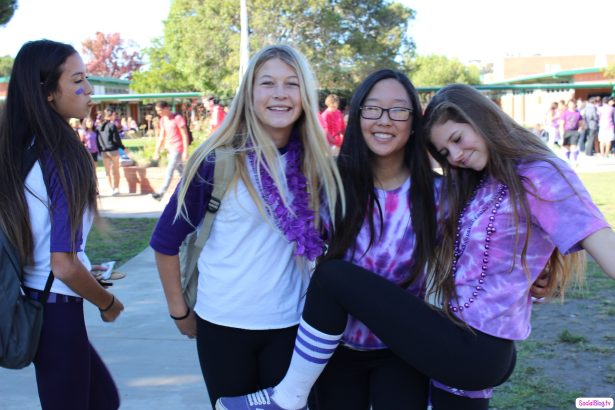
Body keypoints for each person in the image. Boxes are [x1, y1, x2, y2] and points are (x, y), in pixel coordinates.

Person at [216, 83, 615, 410]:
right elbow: (500, 248)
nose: (456, 155)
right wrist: (537, 272)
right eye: (445, 152)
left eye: (457, 139)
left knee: (333, 277)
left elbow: (600, 242)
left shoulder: (540, 173)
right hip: (448, 339)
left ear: (484, 119)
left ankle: (286, 399)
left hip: (473, 345)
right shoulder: (483, 181)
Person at [149, 44, 344, 408]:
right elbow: (165, 241)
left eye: (292, 83)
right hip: (223, 324)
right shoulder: (216, 160)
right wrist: (179, 310)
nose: (280, 94)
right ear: (249, 94)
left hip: (293, 325)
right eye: (267, 83)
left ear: (305, 94)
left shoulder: (317, 167)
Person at [0, 39, 124, 409]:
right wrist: (107, 303)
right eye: (78, 81)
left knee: (104, 399)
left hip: (38, 301)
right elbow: (63, 265)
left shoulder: (23, 148)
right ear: (48, 93)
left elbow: (44, 241)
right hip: (56, 311)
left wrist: (84, 264)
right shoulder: (65, 155)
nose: (90, 90)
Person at [308, 70, 437, 409]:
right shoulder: (328, 185)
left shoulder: (440, 194)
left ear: (414, 122)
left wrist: (536, 281)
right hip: (333, 351)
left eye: (399, 110)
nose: (384, 119)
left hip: (405, 350)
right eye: (373, 108)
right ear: (357, 116)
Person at [151, 101, 190, 201]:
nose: (158, 113)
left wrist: (185, 151)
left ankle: (161, 193)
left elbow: (184, 134)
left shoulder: (177, 118)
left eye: (160, 110)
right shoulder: (162, 120)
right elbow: (162, 136)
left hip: (178, 148)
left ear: (166, 108)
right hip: (170, 149)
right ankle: (191, 189)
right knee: (182, 172)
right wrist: (156, 150)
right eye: (157, 111)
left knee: (170, 169)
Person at [97, 108, 125, 196]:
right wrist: (123, 148)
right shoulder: (112, 126)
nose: (115, 116)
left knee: (107, 171)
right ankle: (116, 188)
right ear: (111, 115)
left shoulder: (99, 127)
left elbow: (98, 140)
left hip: (104, 151)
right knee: (115, 170)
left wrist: (100, 150)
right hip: (113, 150)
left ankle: (110, 188)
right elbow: (116, 139)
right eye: (114, 114)